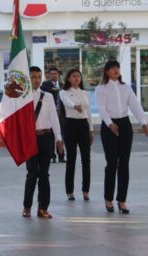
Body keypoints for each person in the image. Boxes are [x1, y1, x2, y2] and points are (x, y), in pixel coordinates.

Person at [95, 60, 148, 214]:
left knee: (124, 164)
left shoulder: (126, 87)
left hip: (125, 125)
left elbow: (134, 104)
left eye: (117, 67)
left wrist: (143, 121)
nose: (115, 70)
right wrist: (110, 124)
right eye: (112, 68)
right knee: (112, 164)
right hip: (109, 126)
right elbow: (101, 108)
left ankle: (122, 200)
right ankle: (108, 198)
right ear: (106, 71)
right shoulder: (101, 88)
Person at [22, 66, 63, 219]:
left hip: (46, 137)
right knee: (32, 174)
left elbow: (54, 117)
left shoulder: (48, 96)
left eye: (39, 76)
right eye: (33, 76)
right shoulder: (22, 97)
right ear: (28, 78)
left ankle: (43, 207)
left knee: (44, 174)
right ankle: (27, 206)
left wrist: (58, 138)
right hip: (30, 138)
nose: (37, 80)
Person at [60, 69, 93, 201]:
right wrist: (75, 106)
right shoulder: (64, 92)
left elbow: (89, 112)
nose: (76, 78)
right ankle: (69, 190)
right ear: (68, 78)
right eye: (73, 76)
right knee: (71, 159)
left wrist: (91, 130)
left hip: (83, 125)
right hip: (70, 125)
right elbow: (67, 102)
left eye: (78, 76)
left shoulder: (85, 93)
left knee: (86, 159)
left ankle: (86, 190)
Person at [41, 67, 66, 163]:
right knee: (51, 136)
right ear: (49, 75)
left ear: (58, 75)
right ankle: (52, 156)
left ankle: (61, 156)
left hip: (60, 114)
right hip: (50, 114)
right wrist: (54, 90)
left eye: (55, 74)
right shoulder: (45, 84)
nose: (53, 75)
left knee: (60, 135)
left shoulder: (63, 85)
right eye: (51, 74)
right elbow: (44, 94)